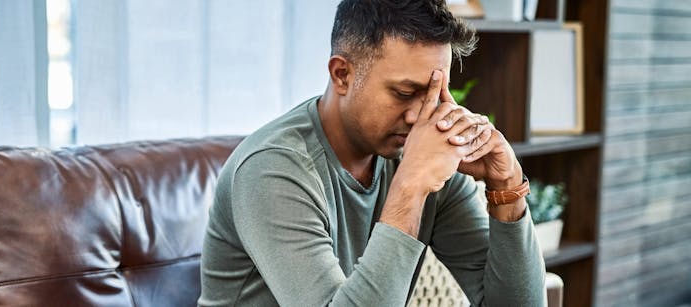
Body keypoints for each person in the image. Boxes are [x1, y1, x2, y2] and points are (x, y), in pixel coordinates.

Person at [198, 0, 545, 306]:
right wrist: (410, 187)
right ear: (342, 75)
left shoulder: (424, 154)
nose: (418, 116)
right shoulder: (272, 169)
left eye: (434, 94)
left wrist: (507, 189)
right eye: (404, 92)